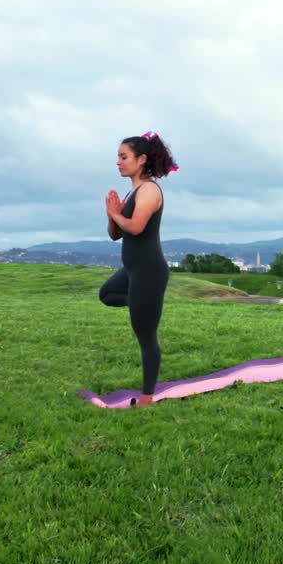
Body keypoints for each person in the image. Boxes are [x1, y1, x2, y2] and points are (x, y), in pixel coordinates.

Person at [99, 133, 178, 407]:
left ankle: (146, 397)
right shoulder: (132, 191)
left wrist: (118, 215)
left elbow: (135, 227)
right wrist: (113, 213)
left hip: (149, 270)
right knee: (107, 294)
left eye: (123, 157)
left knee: (145, 335)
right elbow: (116, 234)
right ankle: (142, 305)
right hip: (132, 271)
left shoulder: (149, 190)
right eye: (118, 157)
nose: (118, 162)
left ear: (141, 160)